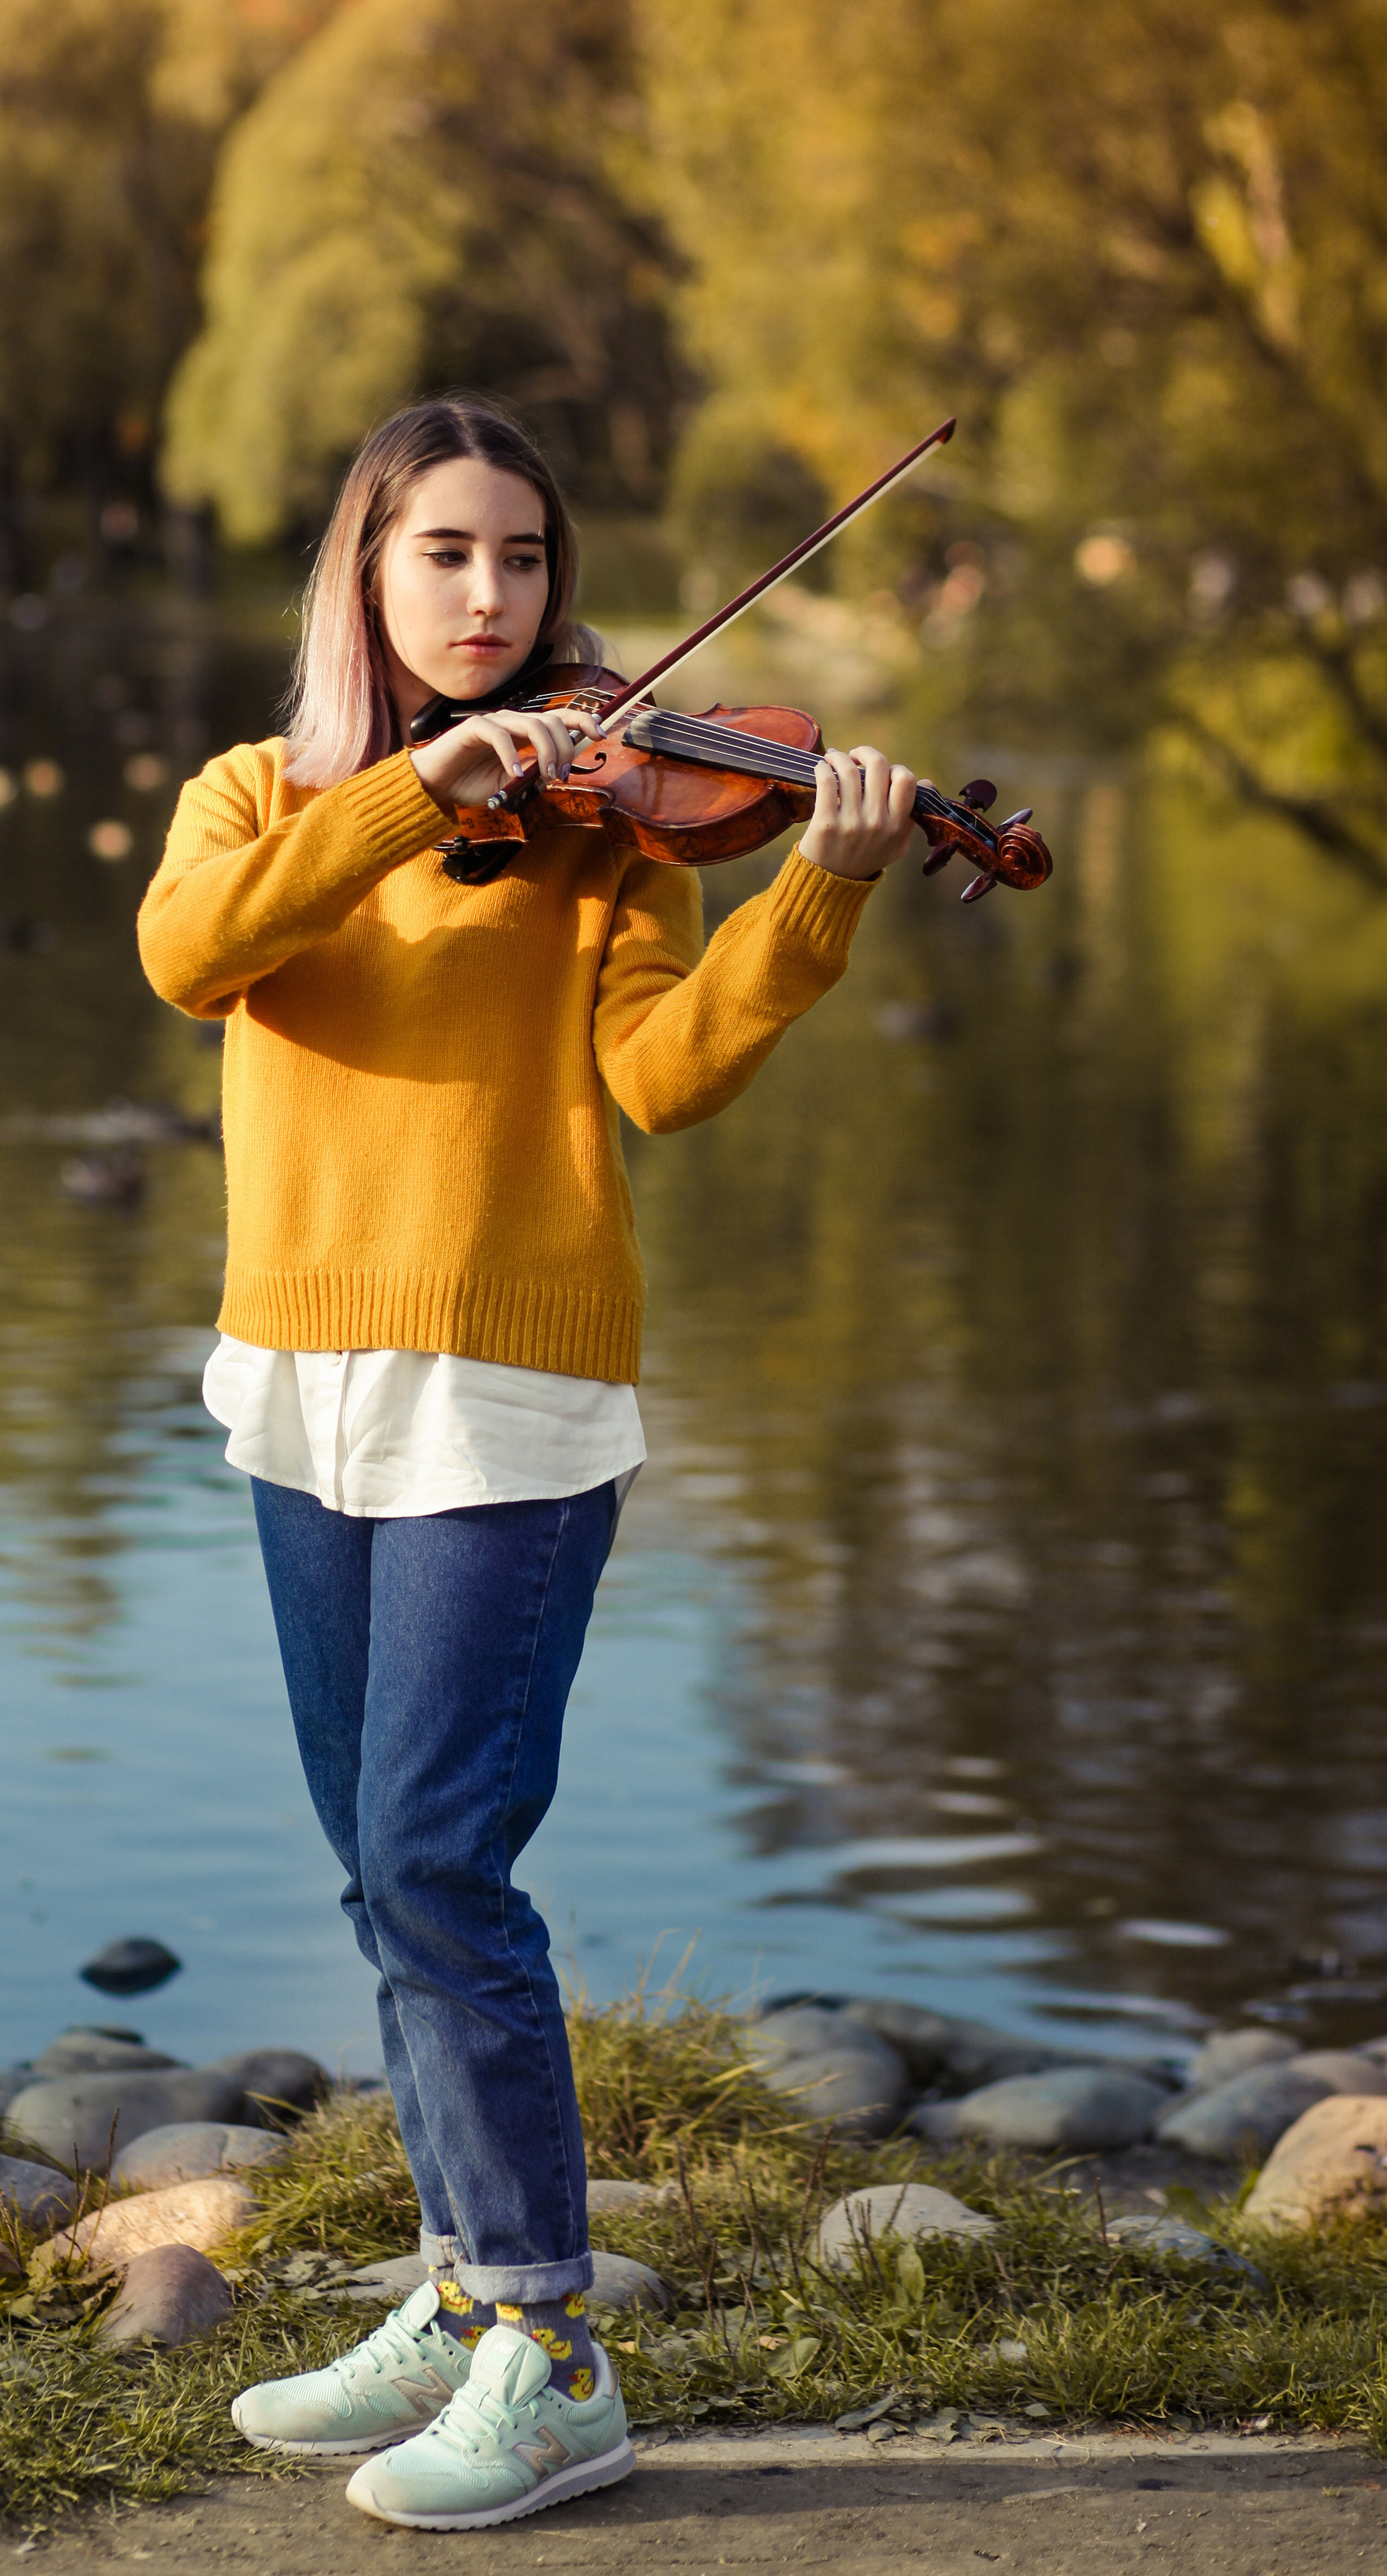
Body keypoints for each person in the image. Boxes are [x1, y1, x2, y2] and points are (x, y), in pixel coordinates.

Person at [136, 394, 915, 2533]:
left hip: (510, 1396)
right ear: (365, 573)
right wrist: (412, 792)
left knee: (440, 1861)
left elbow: (664, 1082)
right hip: (307, 1384)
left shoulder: (606, 833)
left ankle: (555, 2352)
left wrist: (823, 894)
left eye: (526, 560)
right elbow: (197, 954)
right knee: (383, 1869)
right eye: (448, 555)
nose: (495, 598)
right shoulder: (256, 799)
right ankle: (472, 2290)